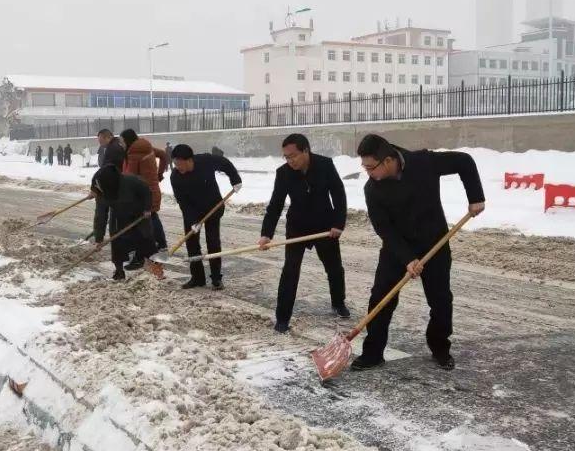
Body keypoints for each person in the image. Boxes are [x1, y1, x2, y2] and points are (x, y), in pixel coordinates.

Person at [352, 134, 485, 372]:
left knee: (441, 300)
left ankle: (440, 348)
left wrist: (476, 197)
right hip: (397, 248)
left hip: (434, 242)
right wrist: (407, 258)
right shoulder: (373, 189)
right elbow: (384, 228)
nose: (368, 173)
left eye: (371, 167)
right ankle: (373, 353)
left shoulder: (423, 162)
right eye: (365, 167)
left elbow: (464, 161)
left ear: (388, 160)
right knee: (381, 299)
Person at [259, 133, 348, 334]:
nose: (290, 161)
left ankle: (338, 302)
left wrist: (338, 223)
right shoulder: (283, 173)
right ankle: (282, 317)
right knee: (290, 270)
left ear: (306, 150)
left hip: (325, 226)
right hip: (297, 226)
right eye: (286, 157)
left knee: (334, 267)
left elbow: (339, 194)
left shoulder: (325, 165)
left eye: (293, 156)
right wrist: (266, 233)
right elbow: (275, 205)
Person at [170, 145, 242, 290]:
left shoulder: (205, 161)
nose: (177, 167)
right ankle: (197, 278)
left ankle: (216, 278)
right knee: (191, 242)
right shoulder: (175, 177)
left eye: (179, 164)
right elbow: (183, 202)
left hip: (213, 207)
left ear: (189, 160)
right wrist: (192, 221)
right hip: (192, 211)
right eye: (175, 164)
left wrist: (235, 179)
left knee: (213, 241)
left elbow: (225, 163)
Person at [91, 165, 156, 281]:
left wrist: (147, 208)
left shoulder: (131, 181)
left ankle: (154, 269)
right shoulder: (101, 190)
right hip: (118, 215)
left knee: (145, 239)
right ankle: (119, 271)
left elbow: (147, 192)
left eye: (100, 185)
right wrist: (99, 238)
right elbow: (100, 215)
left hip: (138, 214)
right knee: (116, 241)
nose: (99, 188)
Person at [120, 129, 169, 257]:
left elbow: (129, 177)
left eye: (122, 141)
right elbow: (163, 154)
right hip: (152, 189)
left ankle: (156, 245)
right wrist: (159, 173)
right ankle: (160, 244)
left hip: (143, 193)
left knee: (149, 218)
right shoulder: (147, 148)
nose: (121, 144)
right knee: (152, 216)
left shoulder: (134, 154)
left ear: (128, 140)